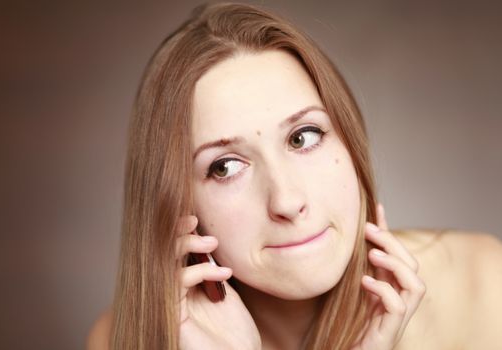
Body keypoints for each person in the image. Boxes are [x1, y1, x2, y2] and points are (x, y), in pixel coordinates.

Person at [87, 2, 502, 350]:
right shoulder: (120, 339)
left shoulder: (482, 285)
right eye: (225, 166)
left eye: (304, 137)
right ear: (178, 202)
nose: (286, 200)